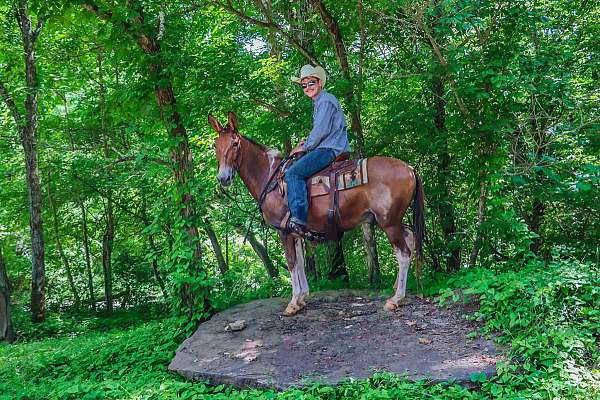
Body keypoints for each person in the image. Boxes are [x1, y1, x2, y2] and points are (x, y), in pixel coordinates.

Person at [284, 64, 352, 237]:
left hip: (330, 149)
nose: (307, 87)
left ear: (320, 82)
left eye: (311, 82)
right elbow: (324, 130)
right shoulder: (321, 102)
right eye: (304, 85)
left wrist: (303, 147)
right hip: (330, 145)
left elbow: (321, 131)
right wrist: (307, 141)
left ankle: (298, 218)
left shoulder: (326, 100)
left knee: (292, 173)